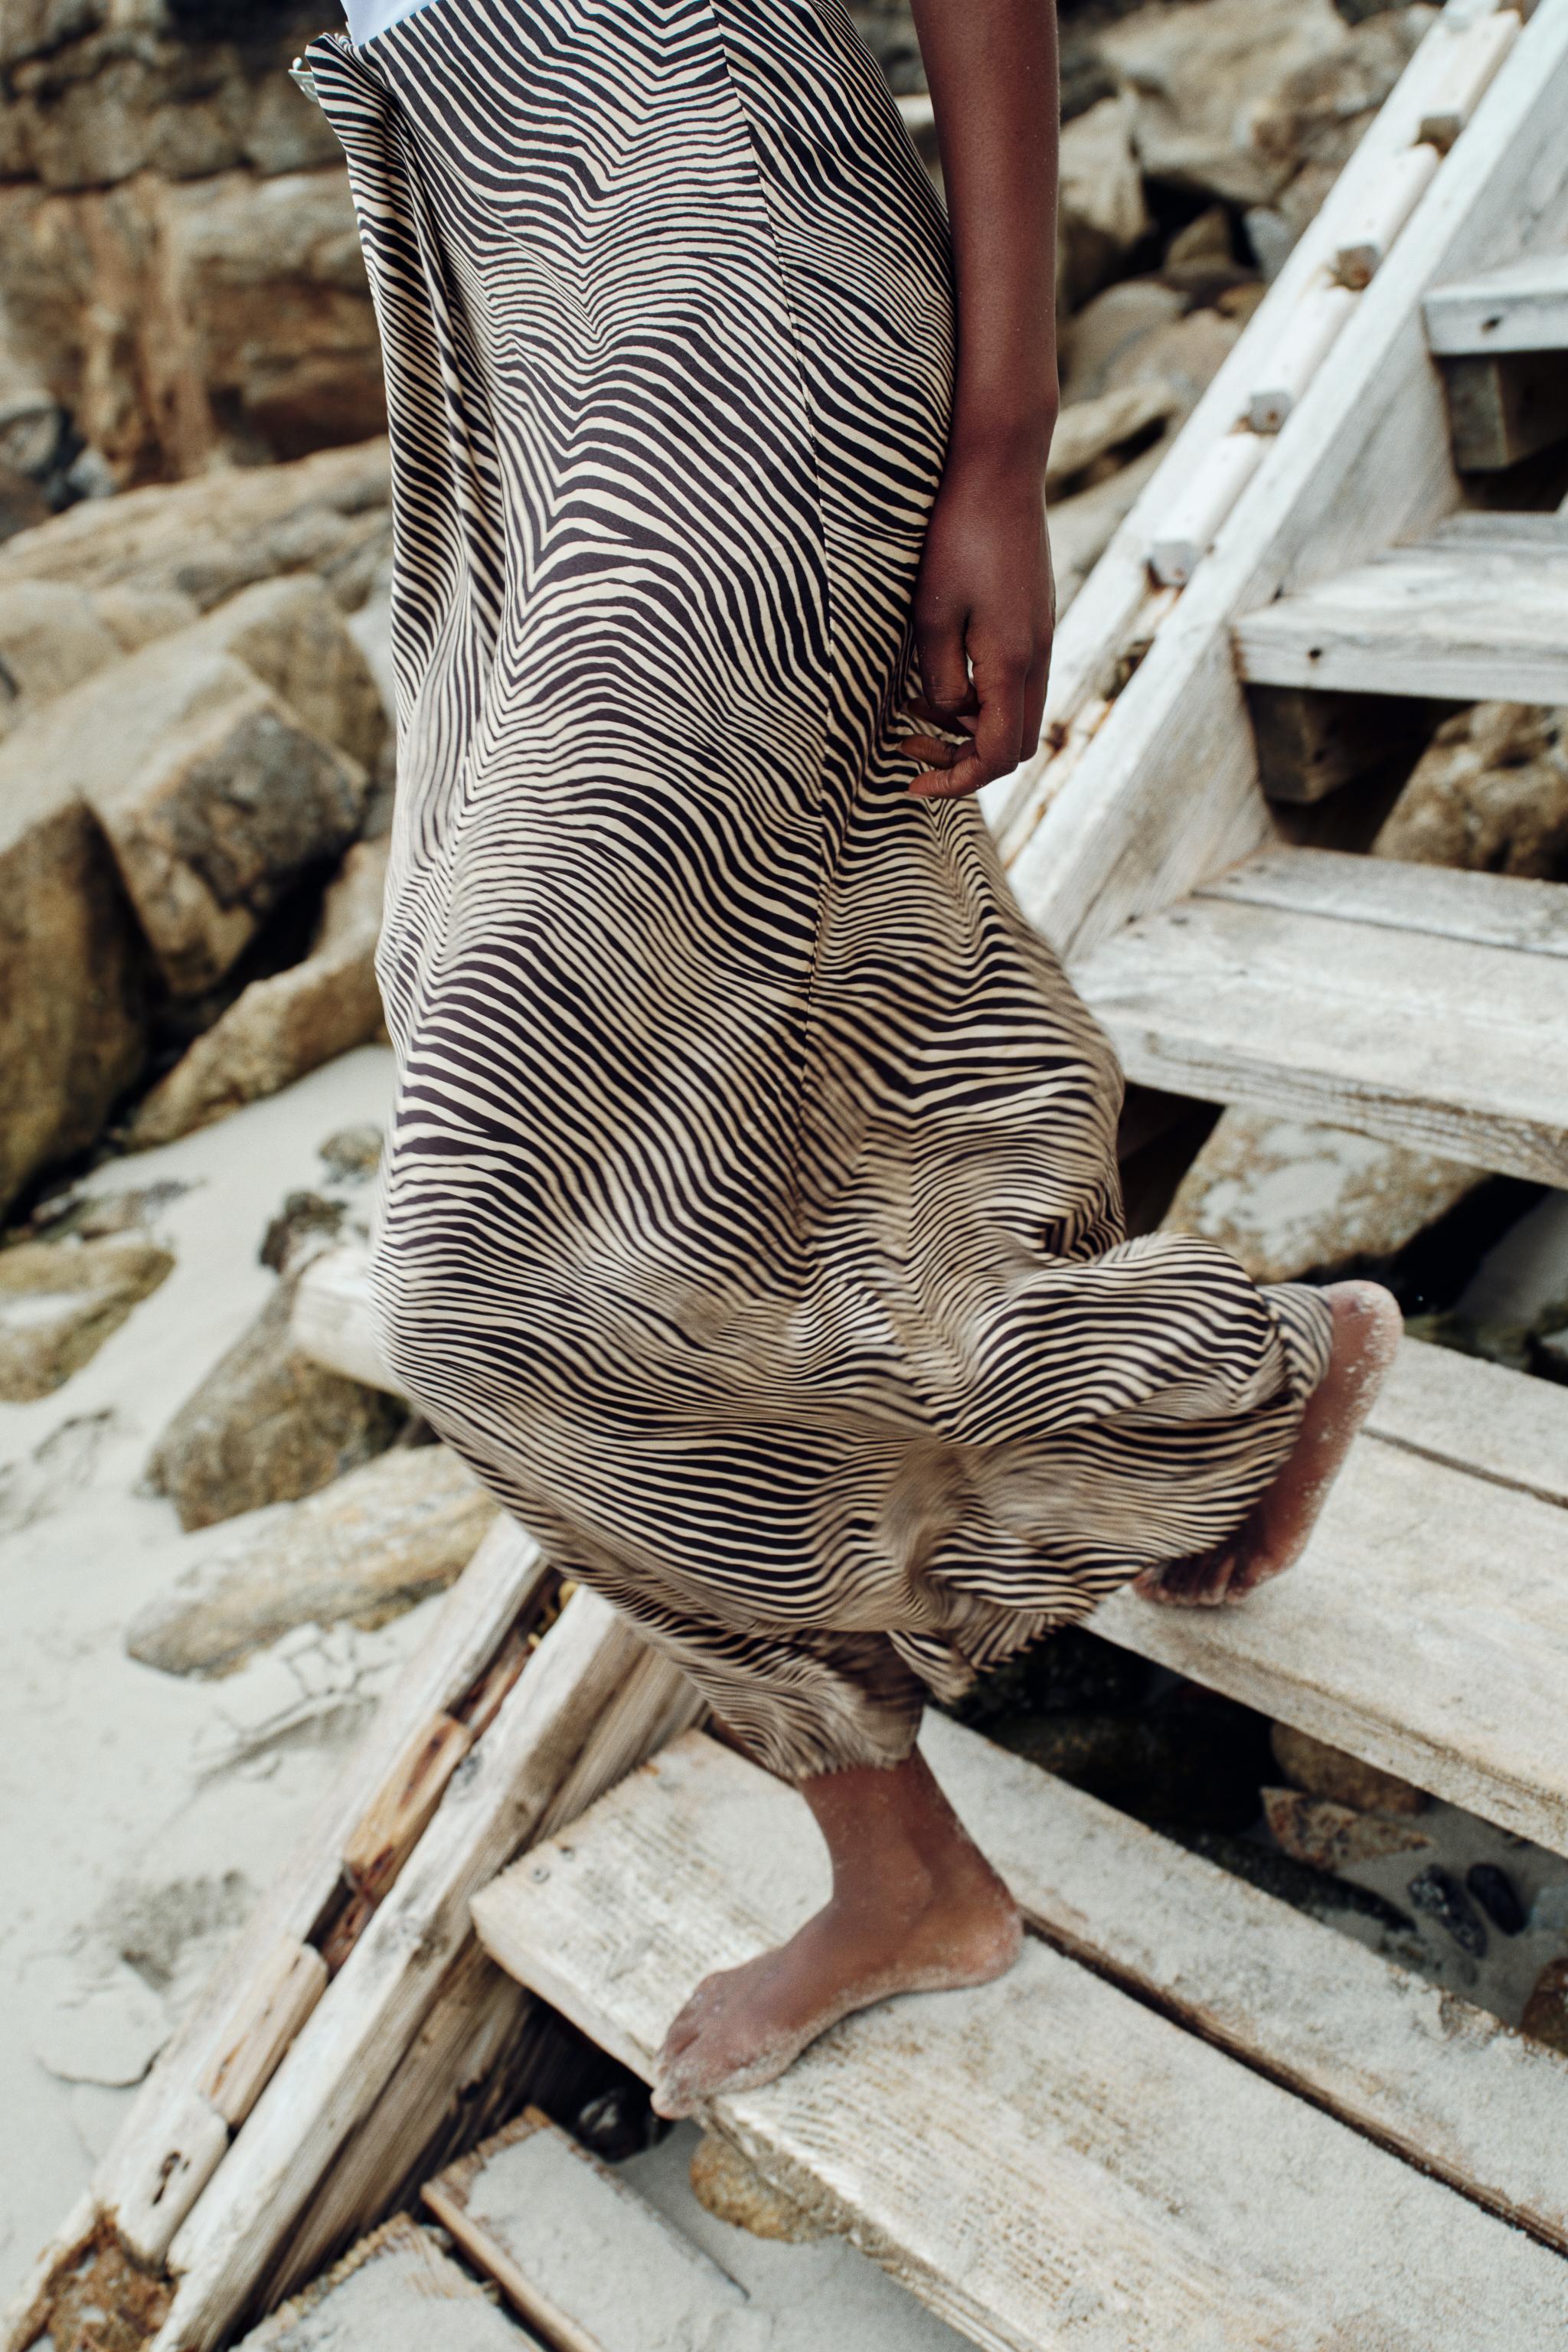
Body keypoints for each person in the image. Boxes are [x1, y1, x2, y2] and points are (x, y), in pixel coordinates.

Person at [309, 0, 1403, 2121]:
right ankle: (943, 1793)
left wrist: (1002, 443)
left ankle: (1201, 1406)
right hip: (481, 303)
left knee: (473, 1260)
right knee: (840, 1000)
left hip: (715, 243)